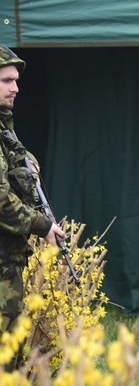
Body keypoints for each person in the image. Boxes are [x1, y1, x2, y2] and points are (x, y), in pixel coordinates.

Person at [0, 44, 66, 335]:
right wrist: (42, 226)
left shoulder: (5, 131)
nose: (16, 88)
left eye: (16, 80)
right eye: (6, 80)